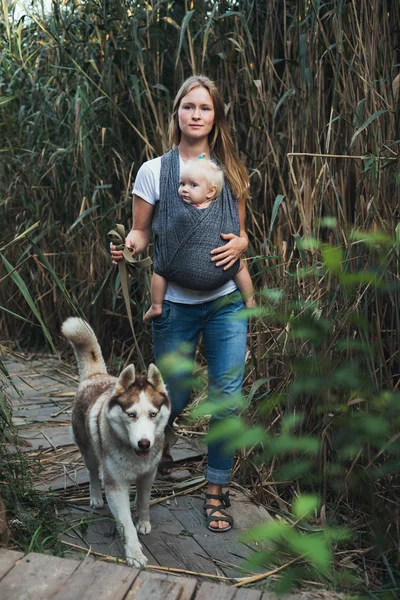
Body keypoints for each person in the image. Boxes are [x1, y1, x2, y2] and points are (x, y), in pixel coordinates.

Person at [111, 75, 250, 532]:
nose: (196, 114)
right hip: (174, 307)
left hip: (226, 301)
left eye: (205, 108)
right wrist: (128, 248)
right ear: (177, 114)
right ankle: (161, 442)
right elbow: (141, 233)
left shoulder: (229, 170)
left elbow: (239, 230)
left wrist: (243, 245)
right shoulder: (154, 171)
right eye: (188, 106)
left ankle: (215, 489)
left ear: (215, 117)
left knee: (227, 399)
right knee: (176, 394)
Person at [143, 157, 255, 323]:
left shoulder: (219, 206)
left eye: (193, 185)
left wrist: (241, 241)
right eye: (182, 184)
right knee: (160, 270)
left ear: (210, 192)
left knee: (240, 268)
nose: (185, 190)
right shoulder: (177, 205)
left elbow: (240, 230)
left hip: (225, 279)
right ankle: (156, 305)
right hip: (174, 278)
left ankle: (250, 300)